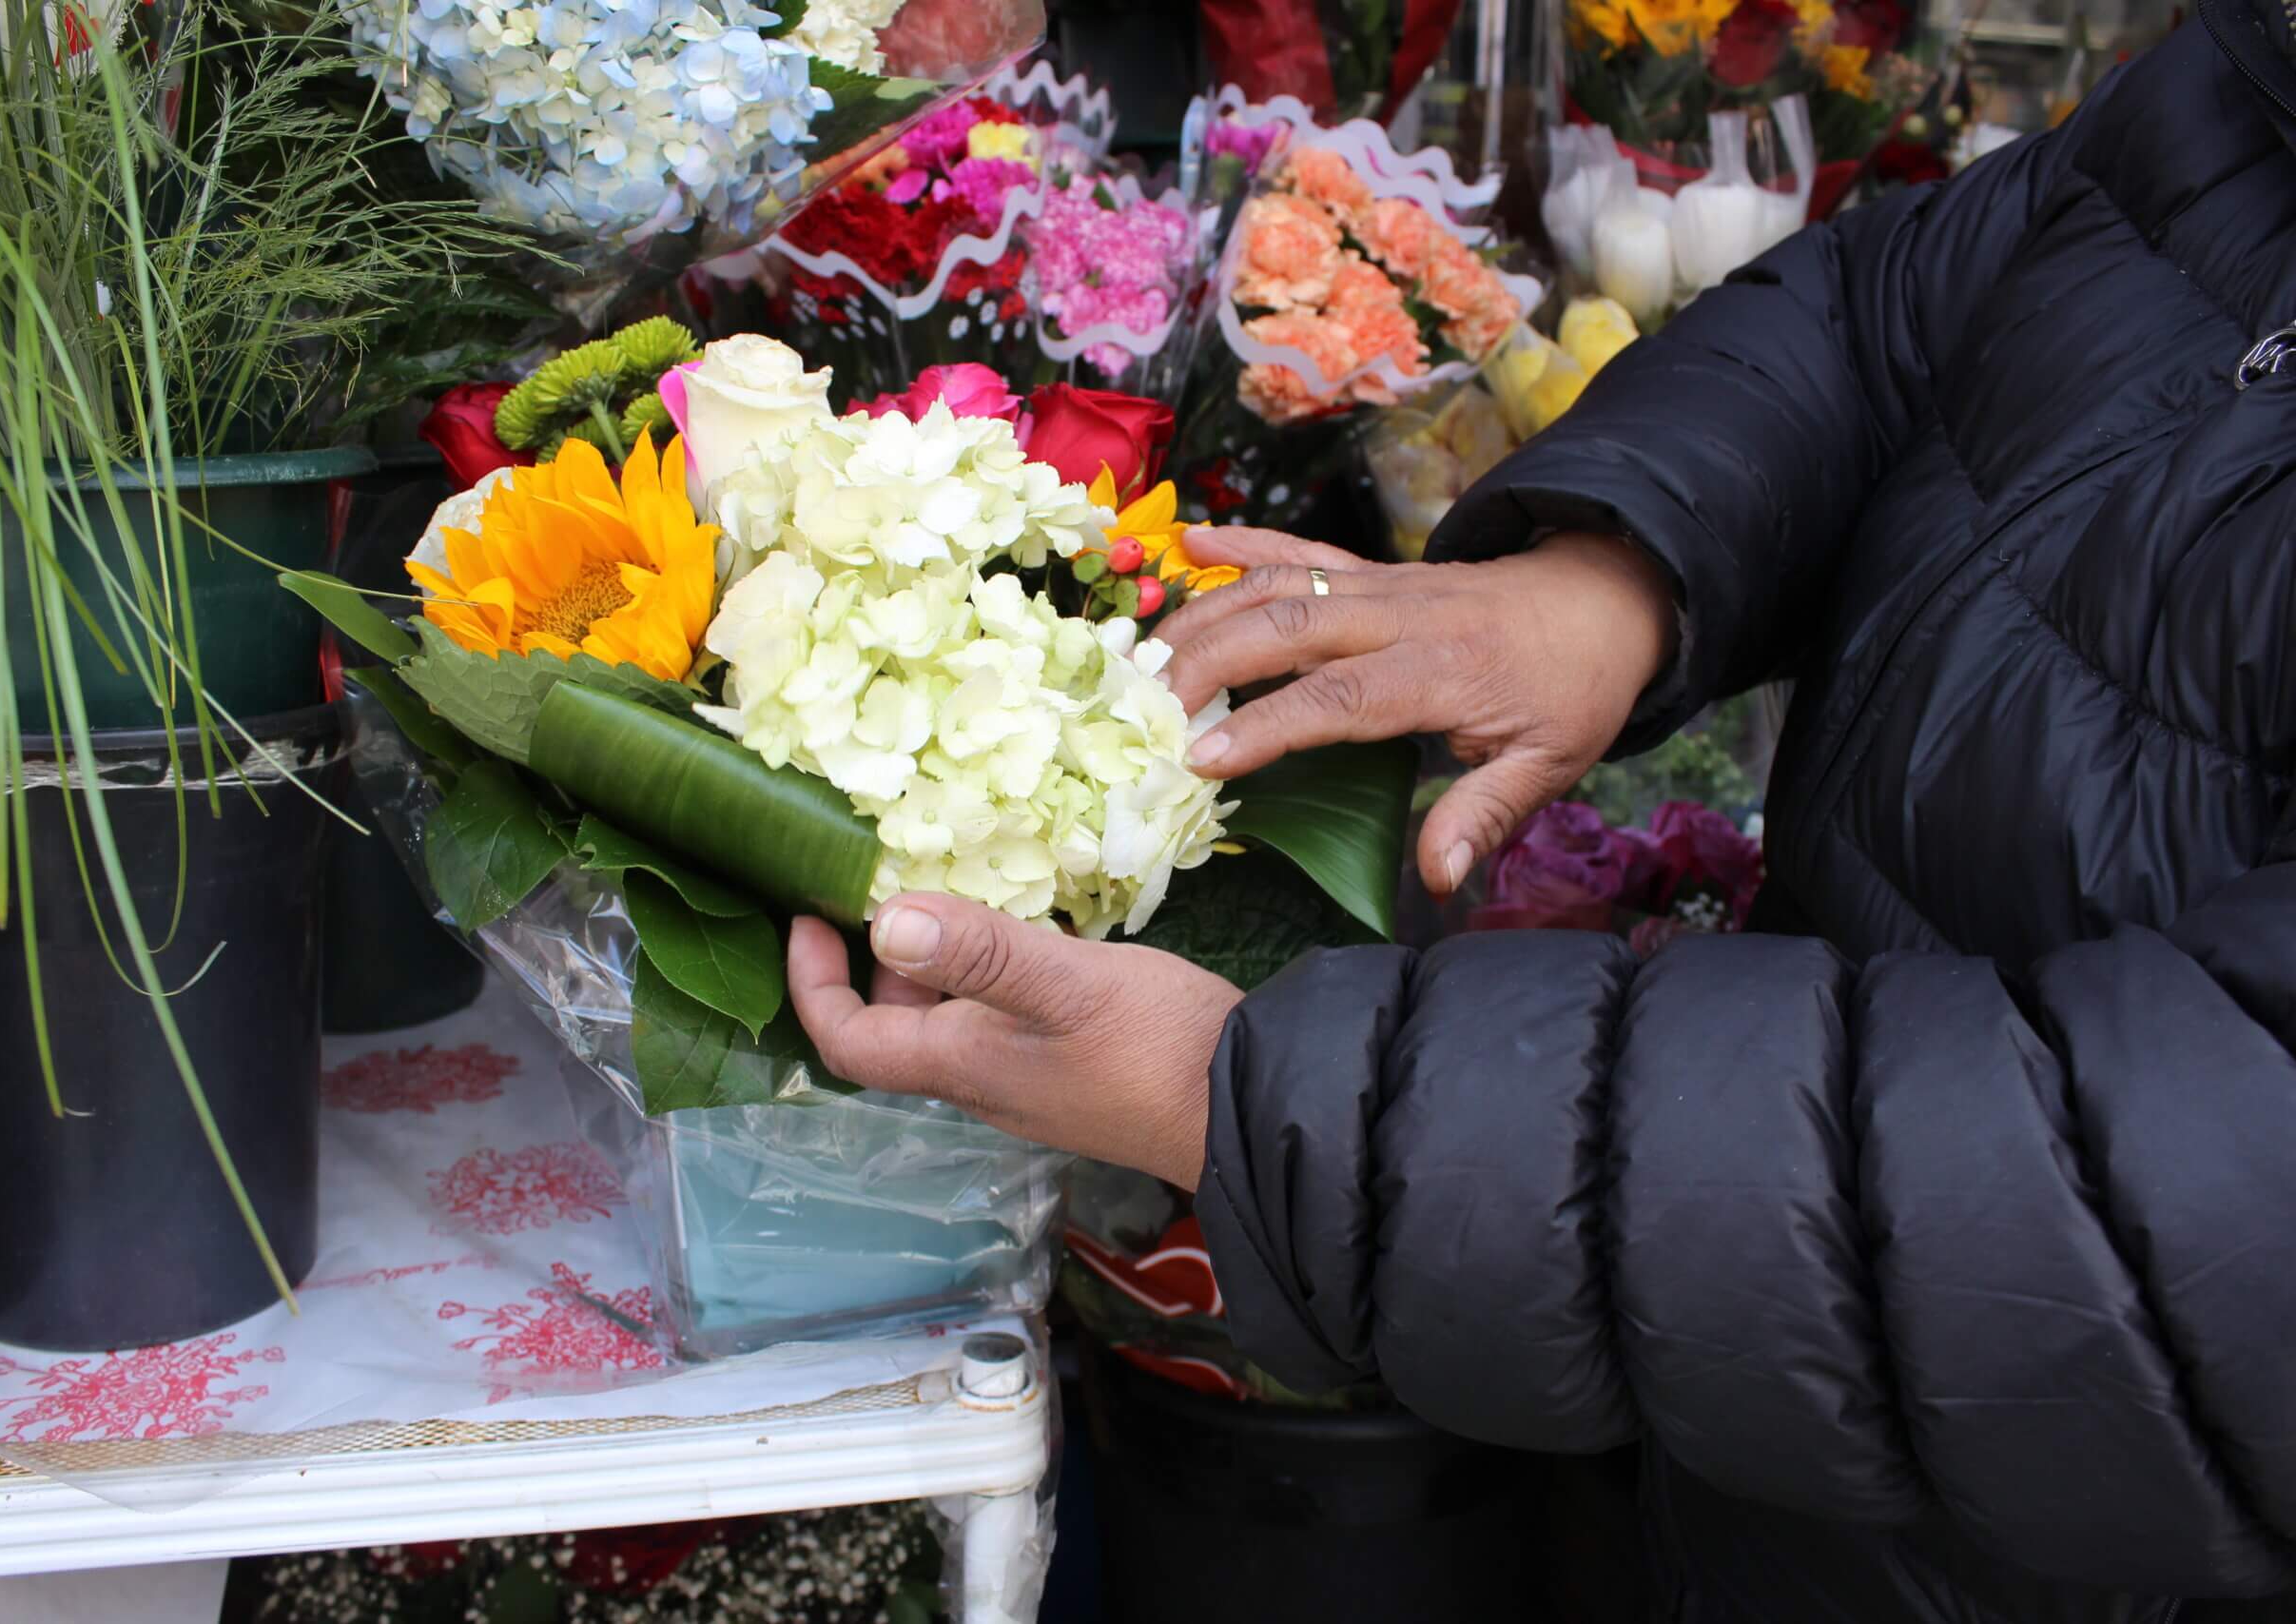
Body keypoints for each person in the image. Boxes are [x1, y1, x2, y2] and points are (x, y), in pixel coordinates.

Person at [785, 1, 2296, 1616]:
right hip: (1795, 1448)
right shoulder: (2254, 79)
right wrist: (1612, 570)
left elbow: (2184, 1240)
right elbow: (1906, 308)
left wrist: (1262, 1106)